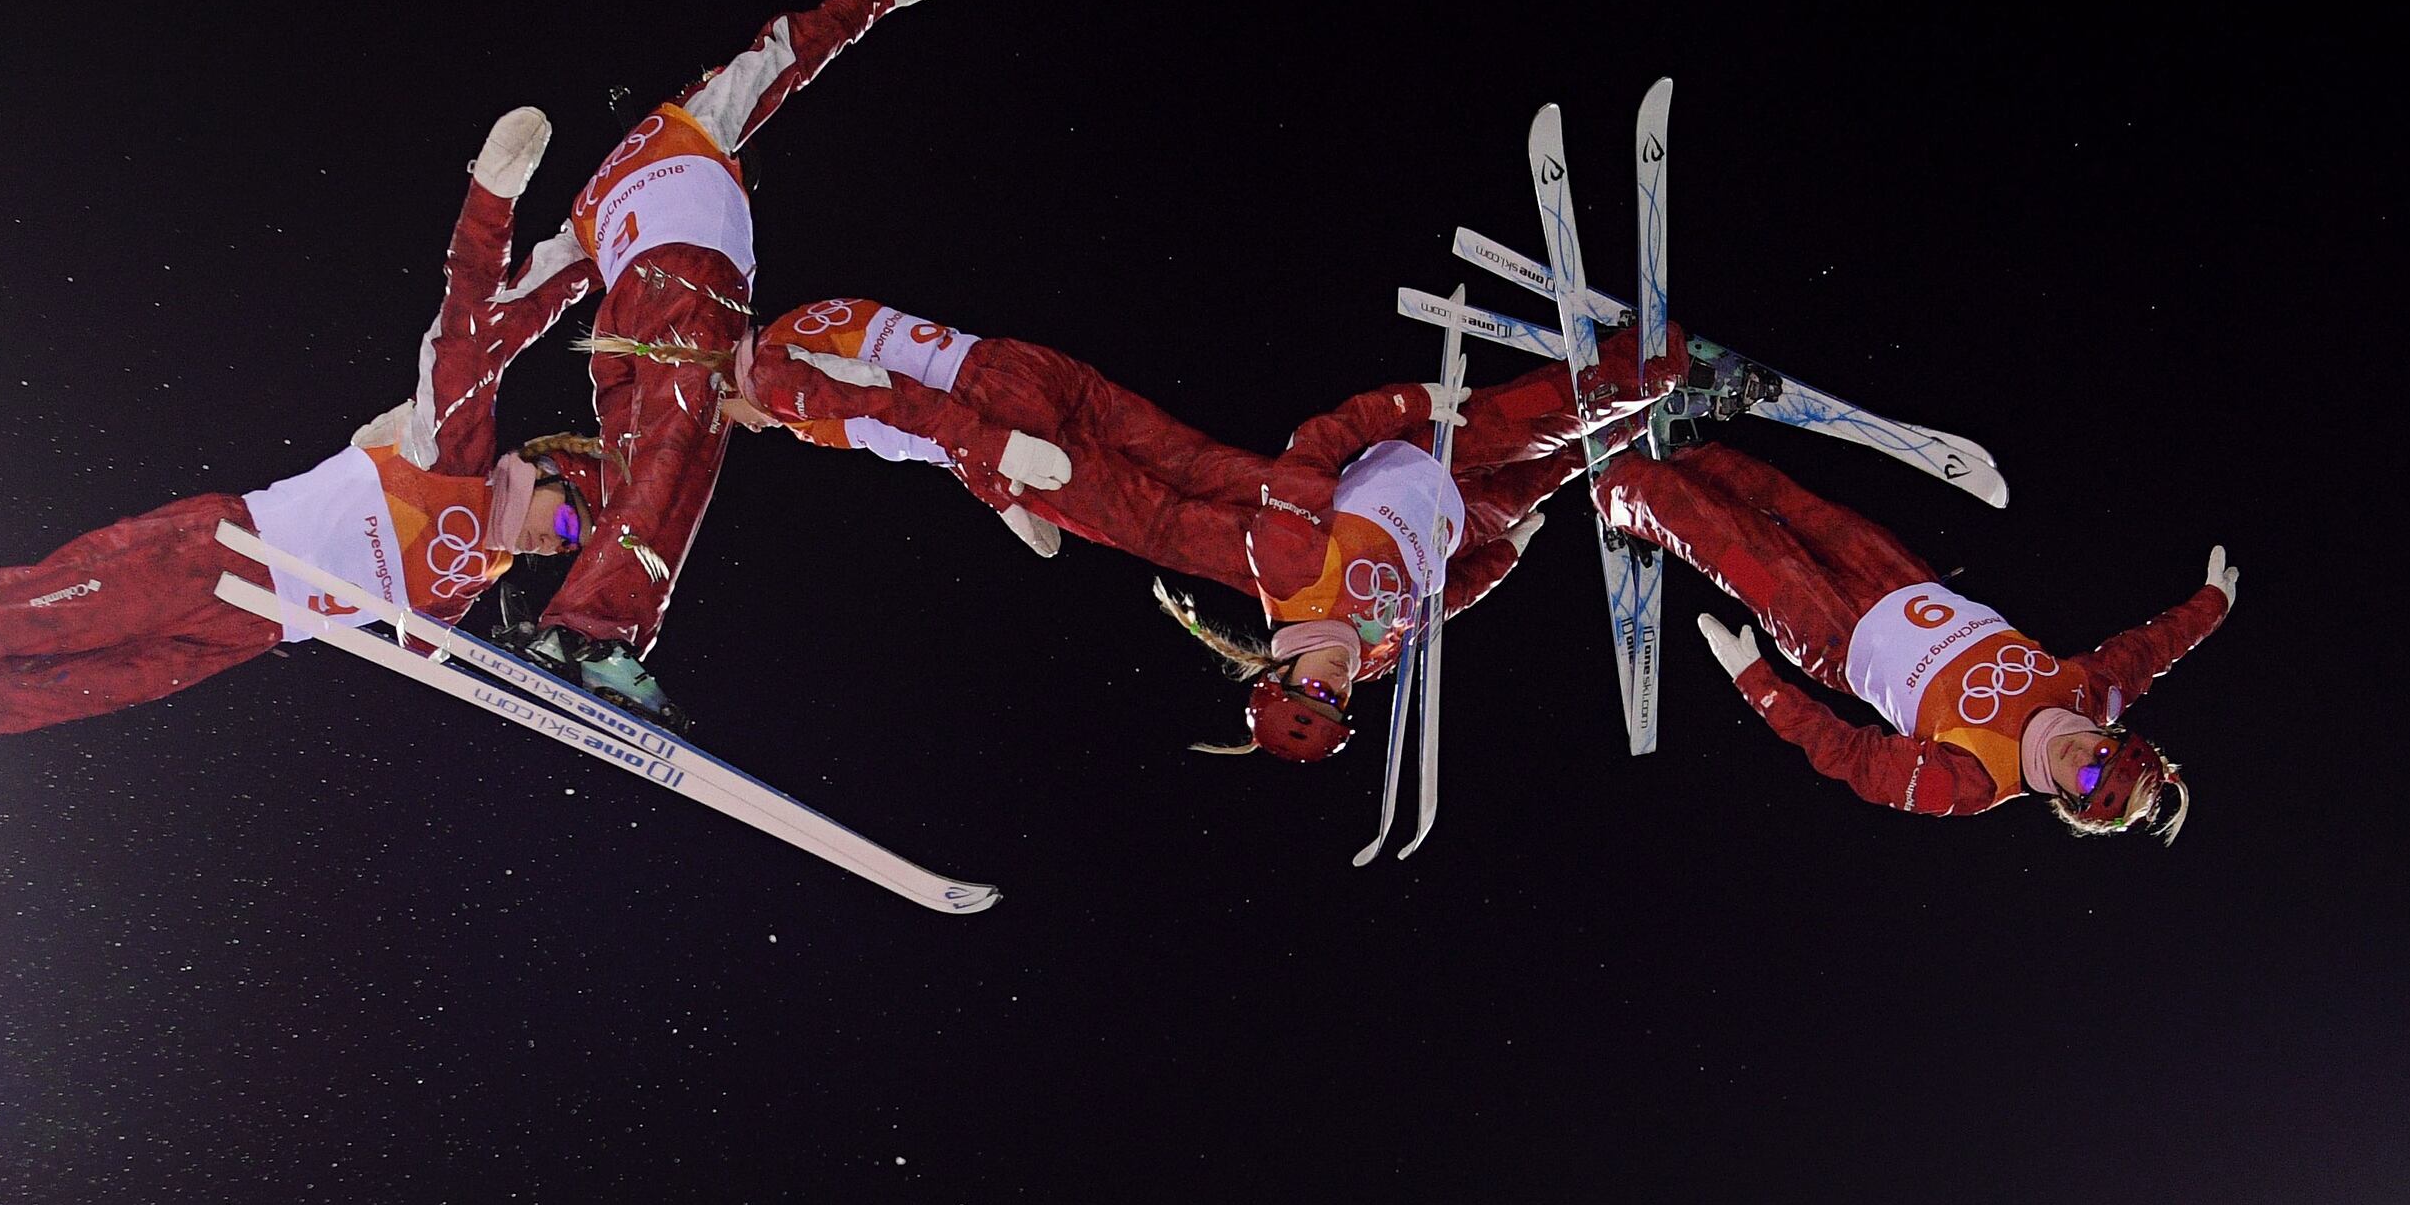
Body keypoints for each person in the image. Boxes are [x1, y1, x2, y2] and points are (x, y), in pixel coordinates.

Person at [0, 112, 593, 814]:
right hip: (214, 554)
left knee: (18, 701)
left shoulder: (465, 588)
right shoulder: (458, 451)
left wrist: (556, 668)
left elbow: (432, 651)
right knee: (2, 623)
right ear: (543, 466)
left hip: (239, 635)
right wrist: (504, 207)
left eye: (564, 549)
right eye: (563, 519)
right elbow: (469, 318)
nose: (551, 541)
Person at [724, 304, 1678, 756]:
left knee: (1548, 416)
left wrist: (1406, 399)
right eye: (1338, 701)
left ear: (1277, 669)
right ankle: (1653, 417)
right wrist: (1502, 557)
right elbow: (1444, 601)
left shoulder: (1291, 565)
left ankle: (1659, 366)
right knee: (1569, 461)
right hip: (1472, 512)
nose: (1335, 683)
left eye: (1311, 686)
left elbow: (1311, 446)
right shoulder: (1382, 656)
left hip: (1430, 447)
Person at [500, 0, 936, 715]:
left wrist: (459, 372)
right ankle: (592, 632)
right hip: (688, 299)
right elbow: (778, 58)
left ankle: (560, 590)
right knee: (677, 466)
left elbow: (524, 300)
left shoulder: (593, 196)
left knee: (633, 476)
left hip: (618, 324)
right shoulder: (698, 124)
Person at [1601, 446, 2235, 836]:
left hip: (1839, 636)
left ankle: (1617, 485)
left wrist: (1761, 687)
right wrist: (2214, 604)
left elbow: (1855, 759)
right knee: (1790, 501)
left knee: (1732, 545)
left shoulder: (1977, 784)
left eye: (2087, 782)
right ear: (2114, 735)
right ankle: (1685, 451)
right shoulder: (2091, 692)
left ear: (2069, 802)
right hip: (1906, 583)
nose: (2082, 759)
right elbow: (2153, 648)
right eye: (2104, 755)